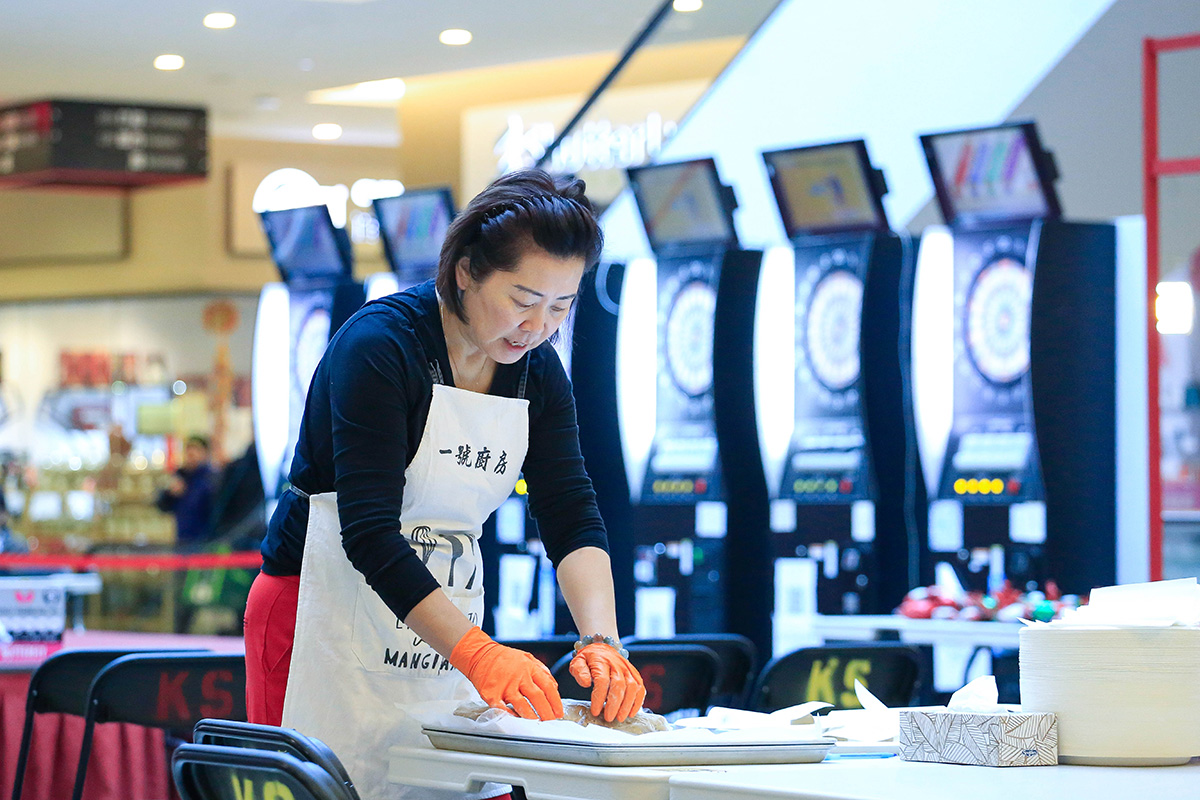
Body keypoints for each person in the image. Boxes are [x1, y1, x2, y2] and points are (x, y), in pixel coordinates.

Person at [243, 169, 645, 800]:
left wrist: (602, 641)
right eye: (522, 300)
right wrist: (480, 654)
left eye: (560, 307)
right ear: (465, 272)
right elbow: (369, 532)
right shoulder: (381, 346)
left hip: (441, 630)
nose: (537, 327)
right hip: (317, 612)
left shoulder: (537, 372)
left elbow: (570, 508)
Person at [156, 435, 216, 549]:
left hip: (205, 541)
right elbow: (162, 506)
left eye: (196, 450)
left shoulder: (211, 478)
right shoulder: (180, 476)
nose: (191, 454)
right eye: (189, 450)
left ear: (205, 453)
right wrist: (170, 494)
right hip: (182, 540)